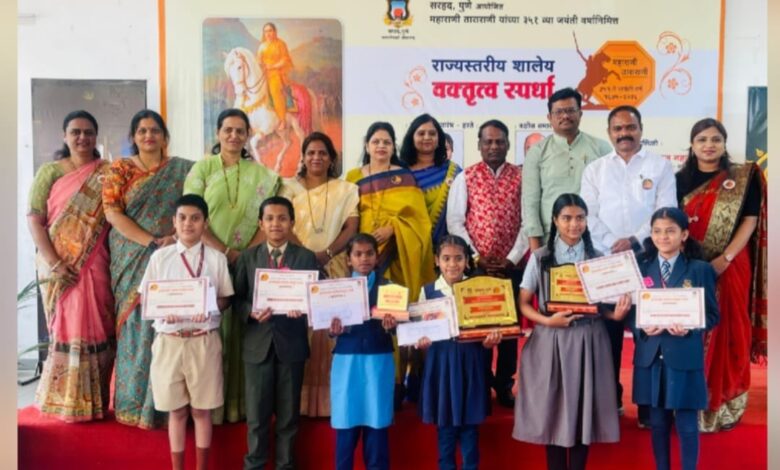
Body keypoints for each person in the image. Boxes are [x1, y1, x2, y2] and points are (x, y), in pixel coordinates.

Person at [512, 194, 630, 470]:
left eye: (579, 218)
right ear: (555, 220)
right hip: (551, 340)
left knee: (582, 412)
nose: (573, 224)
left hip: (589, 339)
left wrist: (616, 315)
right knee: (553, 411)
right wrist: (547, 321)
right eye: (566, 218)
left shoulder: (597, 258)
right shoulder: (541, 258)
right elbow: (523, 303)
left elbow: (602, 307)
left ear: (587, 221)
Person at [184, 108, 280, 424]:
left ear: (248, 135)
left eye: (240, 131)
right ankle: (208, 409)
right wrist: (223, 250)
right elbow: (192, 214)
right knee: (208, 325)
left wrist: (243, 253)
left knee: (243, 327)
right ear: (218, 133)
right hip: (206, 259)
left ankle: (238, 406)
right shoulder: (202, 169)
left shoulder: (262, 175)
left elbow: (266, 218)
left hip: (246, 260)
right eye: (228, 130)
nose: (234, 136)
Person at [579, 105, 676, 419]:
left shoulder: (660, 167)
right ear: (609, 133)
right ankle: (610, 404)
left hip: (648, 259)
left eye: (630, 127)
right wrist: (613, 243)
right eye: (618, 129)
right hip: (606, 264)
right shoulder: (595, 170)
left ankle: (648, 408)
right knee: (608, 338)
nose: (624, 134)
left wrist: (634, 239)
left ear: (641, 129)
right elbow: (588, 215)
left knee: (649, 337)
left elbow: (666, 211)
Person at [103, 109, 194, 429]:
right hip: (131, 256)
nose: (148, 136)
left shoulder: (183, 169)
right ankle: (132, 404)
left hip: (170, 255)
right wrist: (151, 242)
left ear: (165, 137)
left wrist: (172, 240)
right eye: (141, 131)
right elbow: (113, 213)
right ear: (133, 137)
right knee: (135, 325)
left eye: (154, 130)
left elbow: (193, 206)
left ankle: (166, 407)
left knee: (166, 324)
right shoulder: (120, 169)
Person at [675, 118, 767, 432]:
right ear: (692, 145)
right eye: (702, 140)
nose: (709, 145)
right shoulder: (679, 180)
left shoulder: (743, 177)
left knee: (730, 329)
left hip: (732, 264)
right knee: (693, 330)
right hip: (691, 264)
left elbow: (750, 220)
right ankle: (693, 403)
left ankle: (725, 405)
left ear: (725, 143)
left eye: (715, 139)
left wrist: (725, 259)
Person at [27, 110, 115, 422]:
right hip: (59, 266)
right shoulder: (49, 172)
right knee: (65, 327)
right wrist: (55, 263)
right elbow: (35, 220)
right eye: (75, 132)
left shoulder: (108, 173)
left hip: (97, 263)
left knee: (99, 326)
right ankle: (63, 400)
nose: (82, 137)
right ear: (64, 136)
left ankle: (96, 401)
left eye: (88, 132)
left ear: (96, 136)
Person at [139, 194, 234, 470]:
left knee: (201, 411)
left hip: (203, 340)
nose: (188, 224)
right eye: (182, 218)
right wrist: (162, 309)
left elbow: (226, 298)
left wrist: (210, 307)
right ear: (174, 222)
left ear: (205, 223)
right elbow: (146, 298)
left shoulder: (216, 258)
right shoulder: (160, 257)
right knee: (177, 411)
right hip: (170, 340)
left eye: (195, 218)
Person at [345, 122, 436, 407]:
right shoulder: (353, 177)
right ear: (367, 145)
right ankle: (367, 382)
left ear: (393, 146)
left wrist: (394, 228)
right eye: (376, 141)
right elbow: (347, 216)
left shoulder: (404, 177)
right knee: (363, 319)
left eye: (386, 142)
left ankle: (397, 383)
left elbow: (420, 222)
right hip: (362, 260)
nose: (381, 146)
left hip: (397, 259)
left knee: (393, 316)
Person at [446, 119, 527, 408]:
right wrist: (476, 257)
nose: (494, 146)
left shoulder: (522, 177)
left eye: (499, 141)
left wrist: (511, 259)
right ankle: (480, 384)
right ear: (479, 145)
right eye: (488, 141)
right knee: (478, 328)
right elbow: (455, 221)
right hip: (477, 268)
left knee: (508, 331)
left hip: (510, 268)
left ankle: (504, 384)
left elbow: (527, 222)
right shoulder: (466, 177)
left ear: (508, 144)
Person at [233, 196, 318, 470]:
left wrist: (303, 308)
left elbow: (318, 298)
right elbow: (236, 300)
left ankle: (285, 466)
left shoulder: (306, 258)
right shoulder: (248, 257)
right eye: (269, 218)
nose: (276, 224)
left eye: (282, 218)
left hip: (292, 345)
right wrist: (251, 311)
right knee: (256, 418)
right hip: (257, 346)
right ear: (261, 223)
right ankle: (254, 466)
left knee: (288, 417)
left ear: (292, 222)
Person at [632, 207, 720, 470]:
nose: (663, 237)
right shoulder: (640, 268)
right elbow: (631, 315)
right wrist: (642, 328)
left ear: (684, 234)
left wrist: (690, 327)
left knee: (686, 423)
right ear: (651, 234)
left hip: (684, 355)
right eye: (657, 231)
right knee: (657, 423)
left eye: (670, 231)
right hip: (650, 356)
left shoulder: (700, 269)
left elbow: (712, 315)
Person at [278, 131, 359, 417]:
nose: (316, 157)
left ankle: (330, 403)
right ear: (302, 157)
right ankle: (299, 403)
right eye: (311, 152)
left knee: (331, 331)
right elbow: (283, 224)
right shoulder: (288, 188)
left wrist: (327, 253)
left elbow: (351, 226)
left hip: (334, 267)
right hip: (297, 268)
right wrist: (308, 257)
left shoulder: (345, 189)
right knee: (299, 330)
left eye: (323, 153)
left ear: (332, 158)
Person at [415, 235, 502, 470]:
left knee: (470, 428)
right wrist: (420, 340)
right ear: (437, 260)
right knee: (445, 429)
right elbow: (419, 330)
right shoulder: (428, 292)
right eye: (446, 258)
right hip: (441, 364)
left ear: (467, 261)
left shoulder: (477, 289)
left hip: (470, 362)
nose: (452, 264)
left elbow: (487, 331)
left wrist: (489, 341)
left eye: (458, 258)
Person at [329, 233, 398, 470]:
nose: (364, 258)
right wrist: (333, 329)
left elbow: (401, 325)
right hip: (346, 360)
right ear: (348, 259)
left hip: (379, 360)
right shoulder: (337, 289)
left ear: (377, 257)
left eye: (369, 253)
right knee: (346, 424)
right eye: (358, 254)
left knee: (377, 423)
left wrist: (393, 325)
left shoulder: (390, 289)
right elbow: (327, 323)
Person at [522, 88, 612, 249]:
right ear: (549, 117)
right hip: (551, 239)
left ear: (580, 114)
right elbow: (530, 203)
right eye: (559, 112)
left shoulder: (601, 148)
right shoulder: (537, 152)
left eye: (570, 110)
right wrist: (537, 251)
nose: (565, 116)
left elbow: (611, 198)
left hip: (595, 239)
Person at [400, 113, 462, 246]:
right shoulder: (401, 173)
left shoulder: (454, 171)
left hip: (448, 250)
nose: (427, 137)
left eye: (432, 133)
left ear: (439, 138)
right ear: (412, 137)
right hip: (410, 246)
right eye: (421, 133)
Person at [256, 22, 293, 130]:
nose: (268, 33)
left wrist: (272, 66)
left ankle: (282, 120)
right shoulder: (262, 46)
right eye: (266, 31)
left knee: (275, 91)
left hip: (277, 73)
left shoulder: (280, 44)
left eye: (270, 31)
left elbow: (285, 60)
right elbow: (259, 60)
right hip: (264, 73)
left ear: (274, 31)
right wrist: (261, 65)